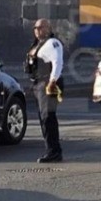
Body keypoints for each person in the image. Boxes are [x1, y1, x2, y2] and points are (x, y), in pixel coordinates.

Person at [26, 19, 64, 163]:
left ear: (48, 28)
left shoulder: (53, 43)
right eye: (35, 28)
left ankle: (54, 152)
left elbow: (57, 62)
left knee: (48, 117)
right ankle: (51, 150)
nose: (37, 30)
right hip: (38, 84)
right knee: (43, 118)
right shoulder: (37, 44)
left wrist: (52, 81)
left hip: (48, 83)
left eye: (40, 27)